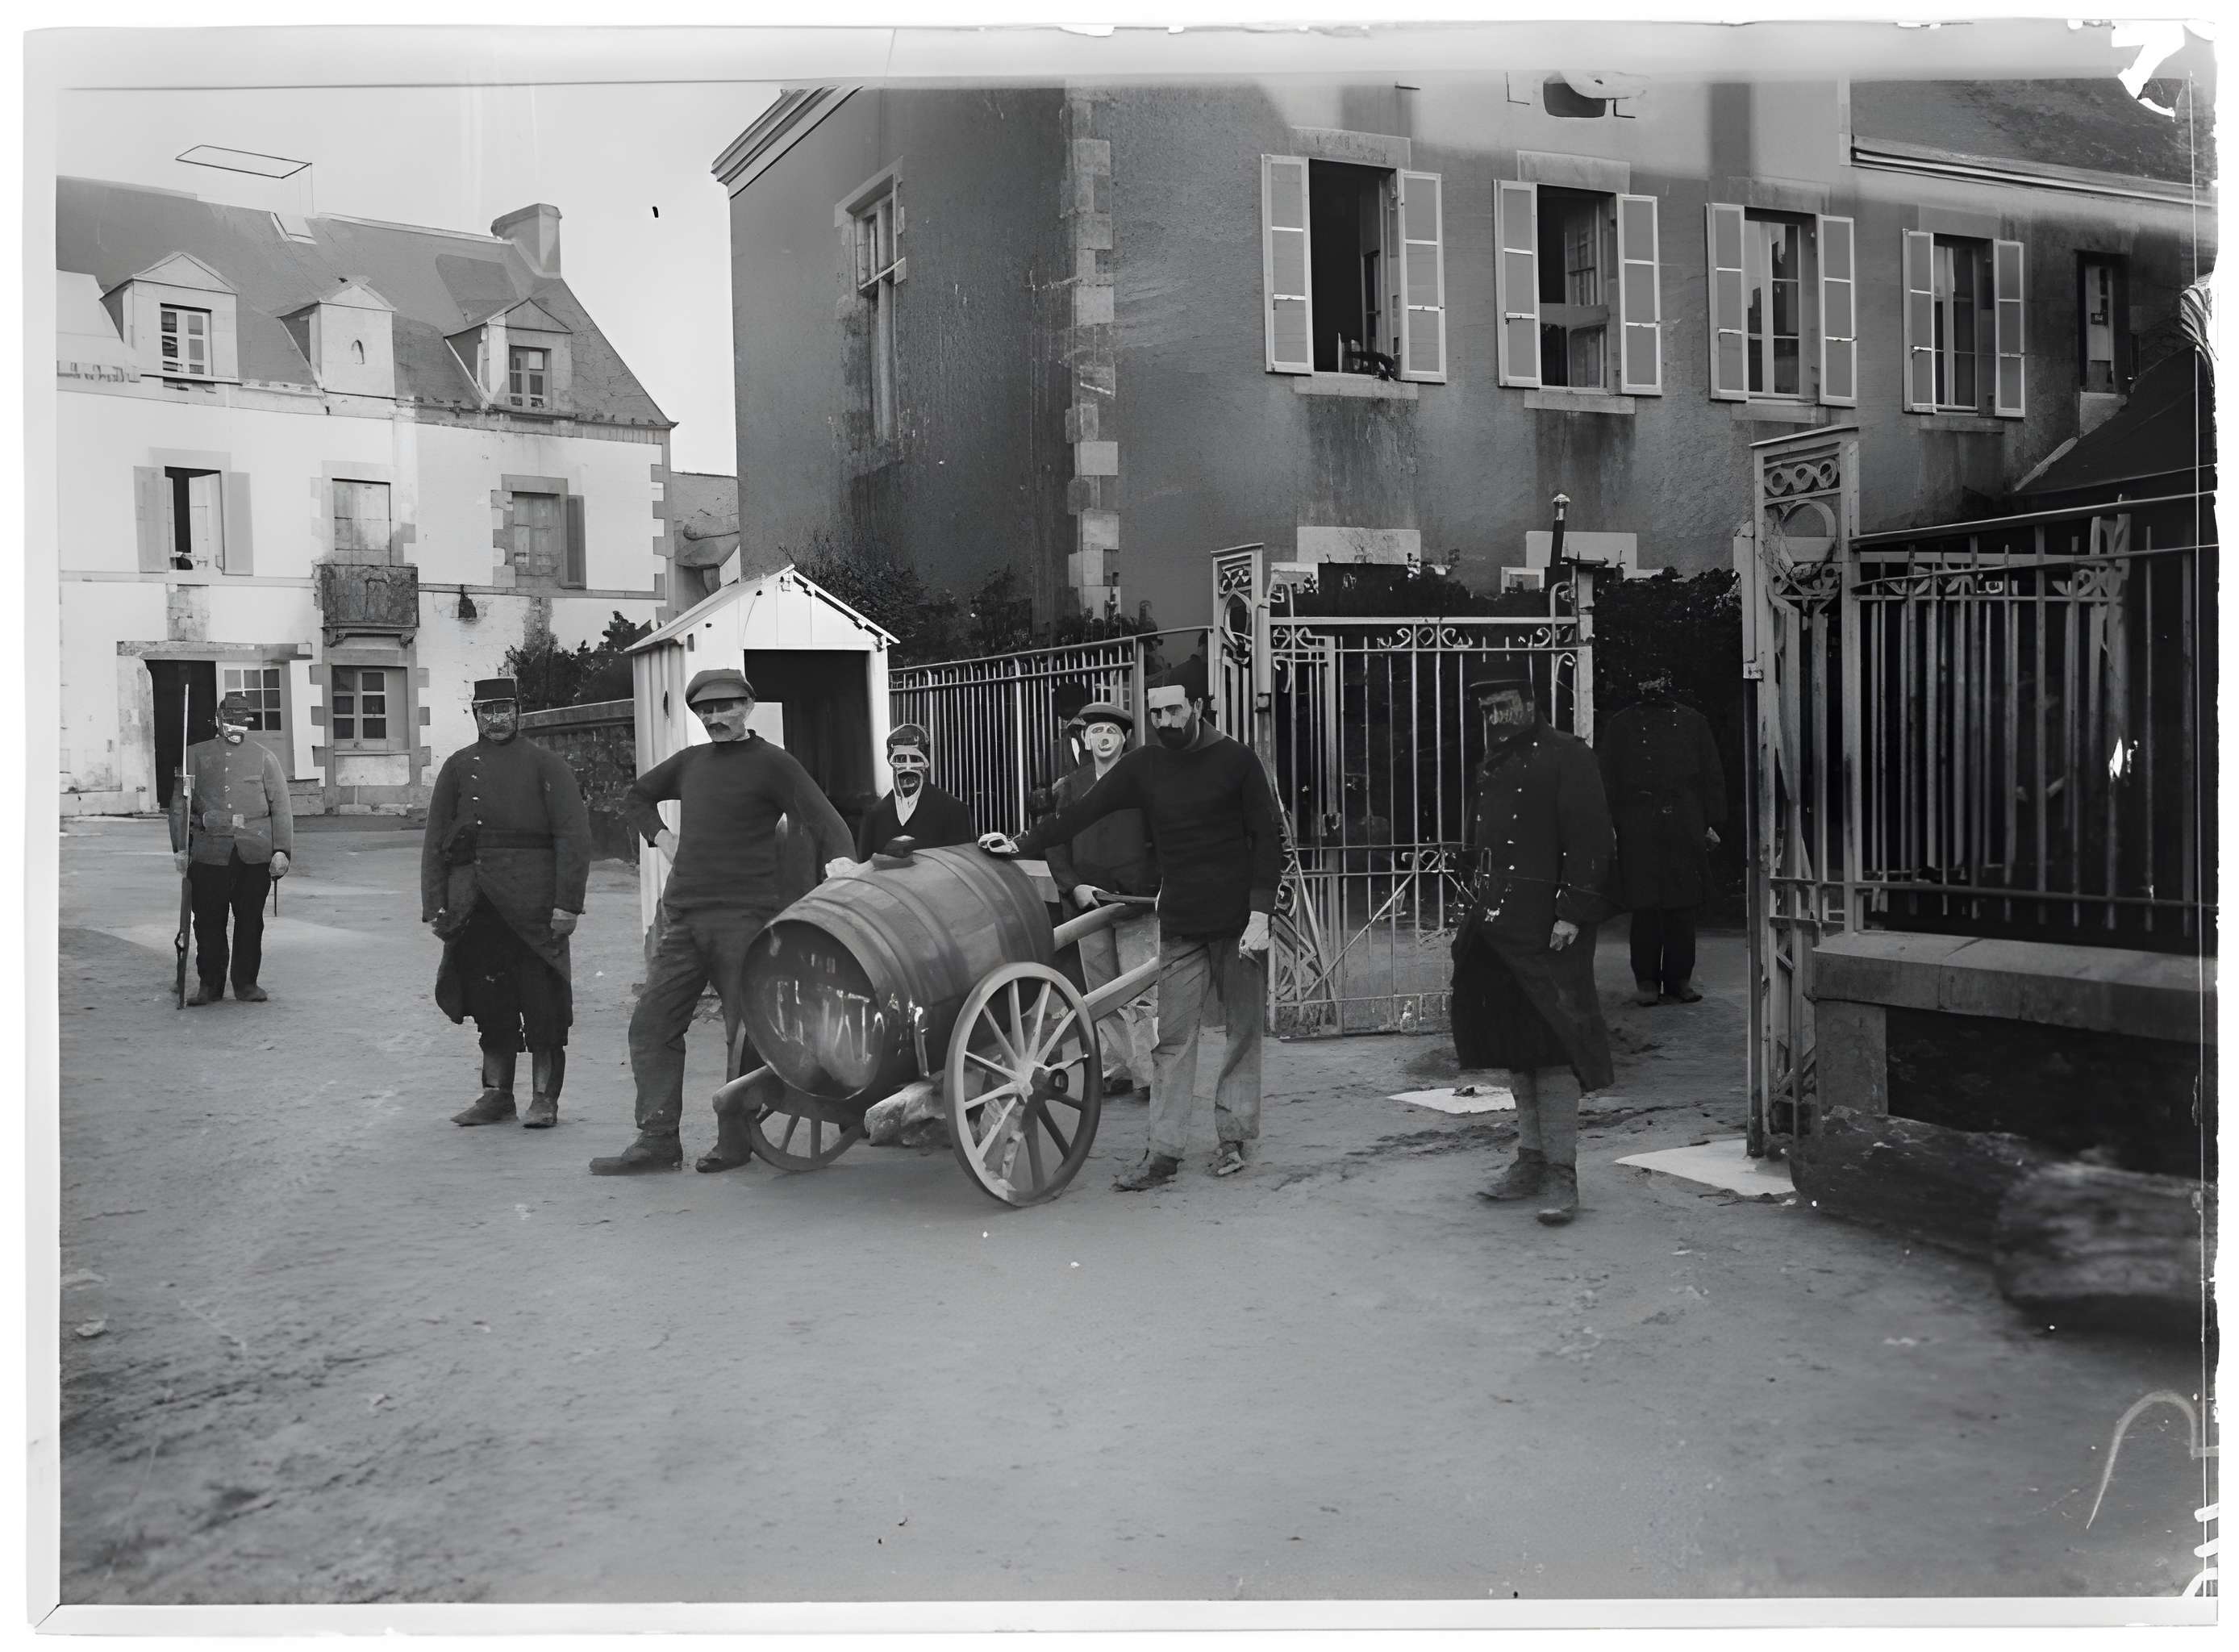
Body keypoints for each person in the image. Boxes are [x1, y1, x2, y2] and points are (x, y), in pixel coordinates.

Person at [981, 671, 1282, 1189]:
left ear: (1198, 705)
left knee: (1241, 1034)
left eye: (1174, 710)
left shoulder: (1236, 760)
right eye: (1156, 713)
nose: (1164, 721)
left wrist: (1261, 914)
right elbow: (1081, 813)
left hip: (1238, 925)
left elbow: (1269, 837)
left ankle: (1233, 1137)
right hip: (1184, 923)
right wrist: (1020, 842)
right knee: (1172, 1041)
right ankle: (1163, 1153)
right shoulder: (1145, 765)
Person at [591, 667, 857, 1175]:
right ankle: (657, 1138)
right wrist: (662, 839)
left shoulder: (773, 764)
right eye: (706, 710)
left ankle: (735, 1142)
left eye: (726, 707)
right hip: (685, 919)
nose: (716, 718)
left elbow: (824, 817)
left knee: (743, 1037)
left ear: (748, 706)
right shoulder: (692, 763)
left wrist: (841, 860)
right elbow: (636, 797)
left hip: (746, 921)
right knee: (652, 1025)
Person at [1449, 660, 1617, 1227]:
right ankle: (1528, 1159)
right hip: (1498, 922)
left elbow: (1593, 839)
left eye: (1503, 707)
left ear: (1529, 701)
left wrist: (1572, 911)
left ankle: (1562, 1174)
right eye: (1487, 710)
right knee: (1514, 1045)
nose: (1495, 718)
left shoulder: (1569, 754)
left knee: (1556, 1045)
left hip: (1549, 923)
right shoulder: (1493, 763)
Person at [420, 678, 593, 1129]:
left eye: (504, 709)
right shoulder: (458, 768)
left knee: (543, 1007)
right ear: (474, 714)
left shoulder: (546, 764)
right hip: (476, 906)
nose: (496, 719)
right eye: (487, 710)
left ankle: (543, 1099)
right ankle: (496, 1095)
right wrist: (436, 905)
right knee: (489, 1003)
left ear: (518, 710)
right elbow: (436, 839)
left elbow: (573, 837)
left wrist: (567, 904)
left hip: (535, 908)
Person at [1042, 699, 1160, 1098]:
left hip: (1136, 904)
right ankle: (1116, 1069)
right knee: (1102, 992)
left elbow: (1163, 838)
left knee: (1139, 993)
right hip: (1089, 903)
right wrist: (1074, 887)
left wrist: (1154, 886)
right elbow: (1056, 843)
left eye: (1112, 732)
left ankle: (1147, 1074)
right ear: (1086, 740)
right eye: (1096, 732)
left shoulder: (1143, 784)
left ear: (1124, 740)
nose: (1104, 738)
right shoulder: (1072, 787)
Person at [1598, 670, 1726, 1007]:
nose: (1652, 687)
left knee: (1682, 907)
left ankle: (1680, 980)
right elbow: (1607, 777)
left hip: (1684, 820)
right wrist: (1609, 824)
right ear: (1637, 684)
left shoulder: (1693, 722)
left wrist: (1711, 822)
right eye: (1646, 680)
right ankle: (1646, 982)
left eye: (1659, 680)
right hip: (1637, 823)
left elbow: (1712, 774)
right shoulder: (1620, 725)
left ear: (1670, 683)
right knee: (1645, 906)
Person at [170, 691, 294, 1005]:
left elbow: (281, 806)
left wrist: (282, 850)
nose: (237, 728)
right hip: (209, 852)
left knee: (250, 920)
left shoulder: (265, 757)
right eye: (232, 721)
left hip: (254, 852)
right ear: (219, 720)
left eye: (243, 722)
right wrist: (180, 849)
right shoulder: (194, 755)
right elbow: (179, 807)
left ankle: (246, 984)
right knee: (208, 922)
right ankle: (210, 985)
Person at [854, 724, 975, 859]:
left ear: (926, 763)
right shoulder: (873, 818)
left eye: (915, 759)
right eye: (900, 759)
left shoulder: (954, 811)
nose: (907, 767)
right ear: (891, 762)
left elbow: (963, 869)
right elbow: (864, 872)